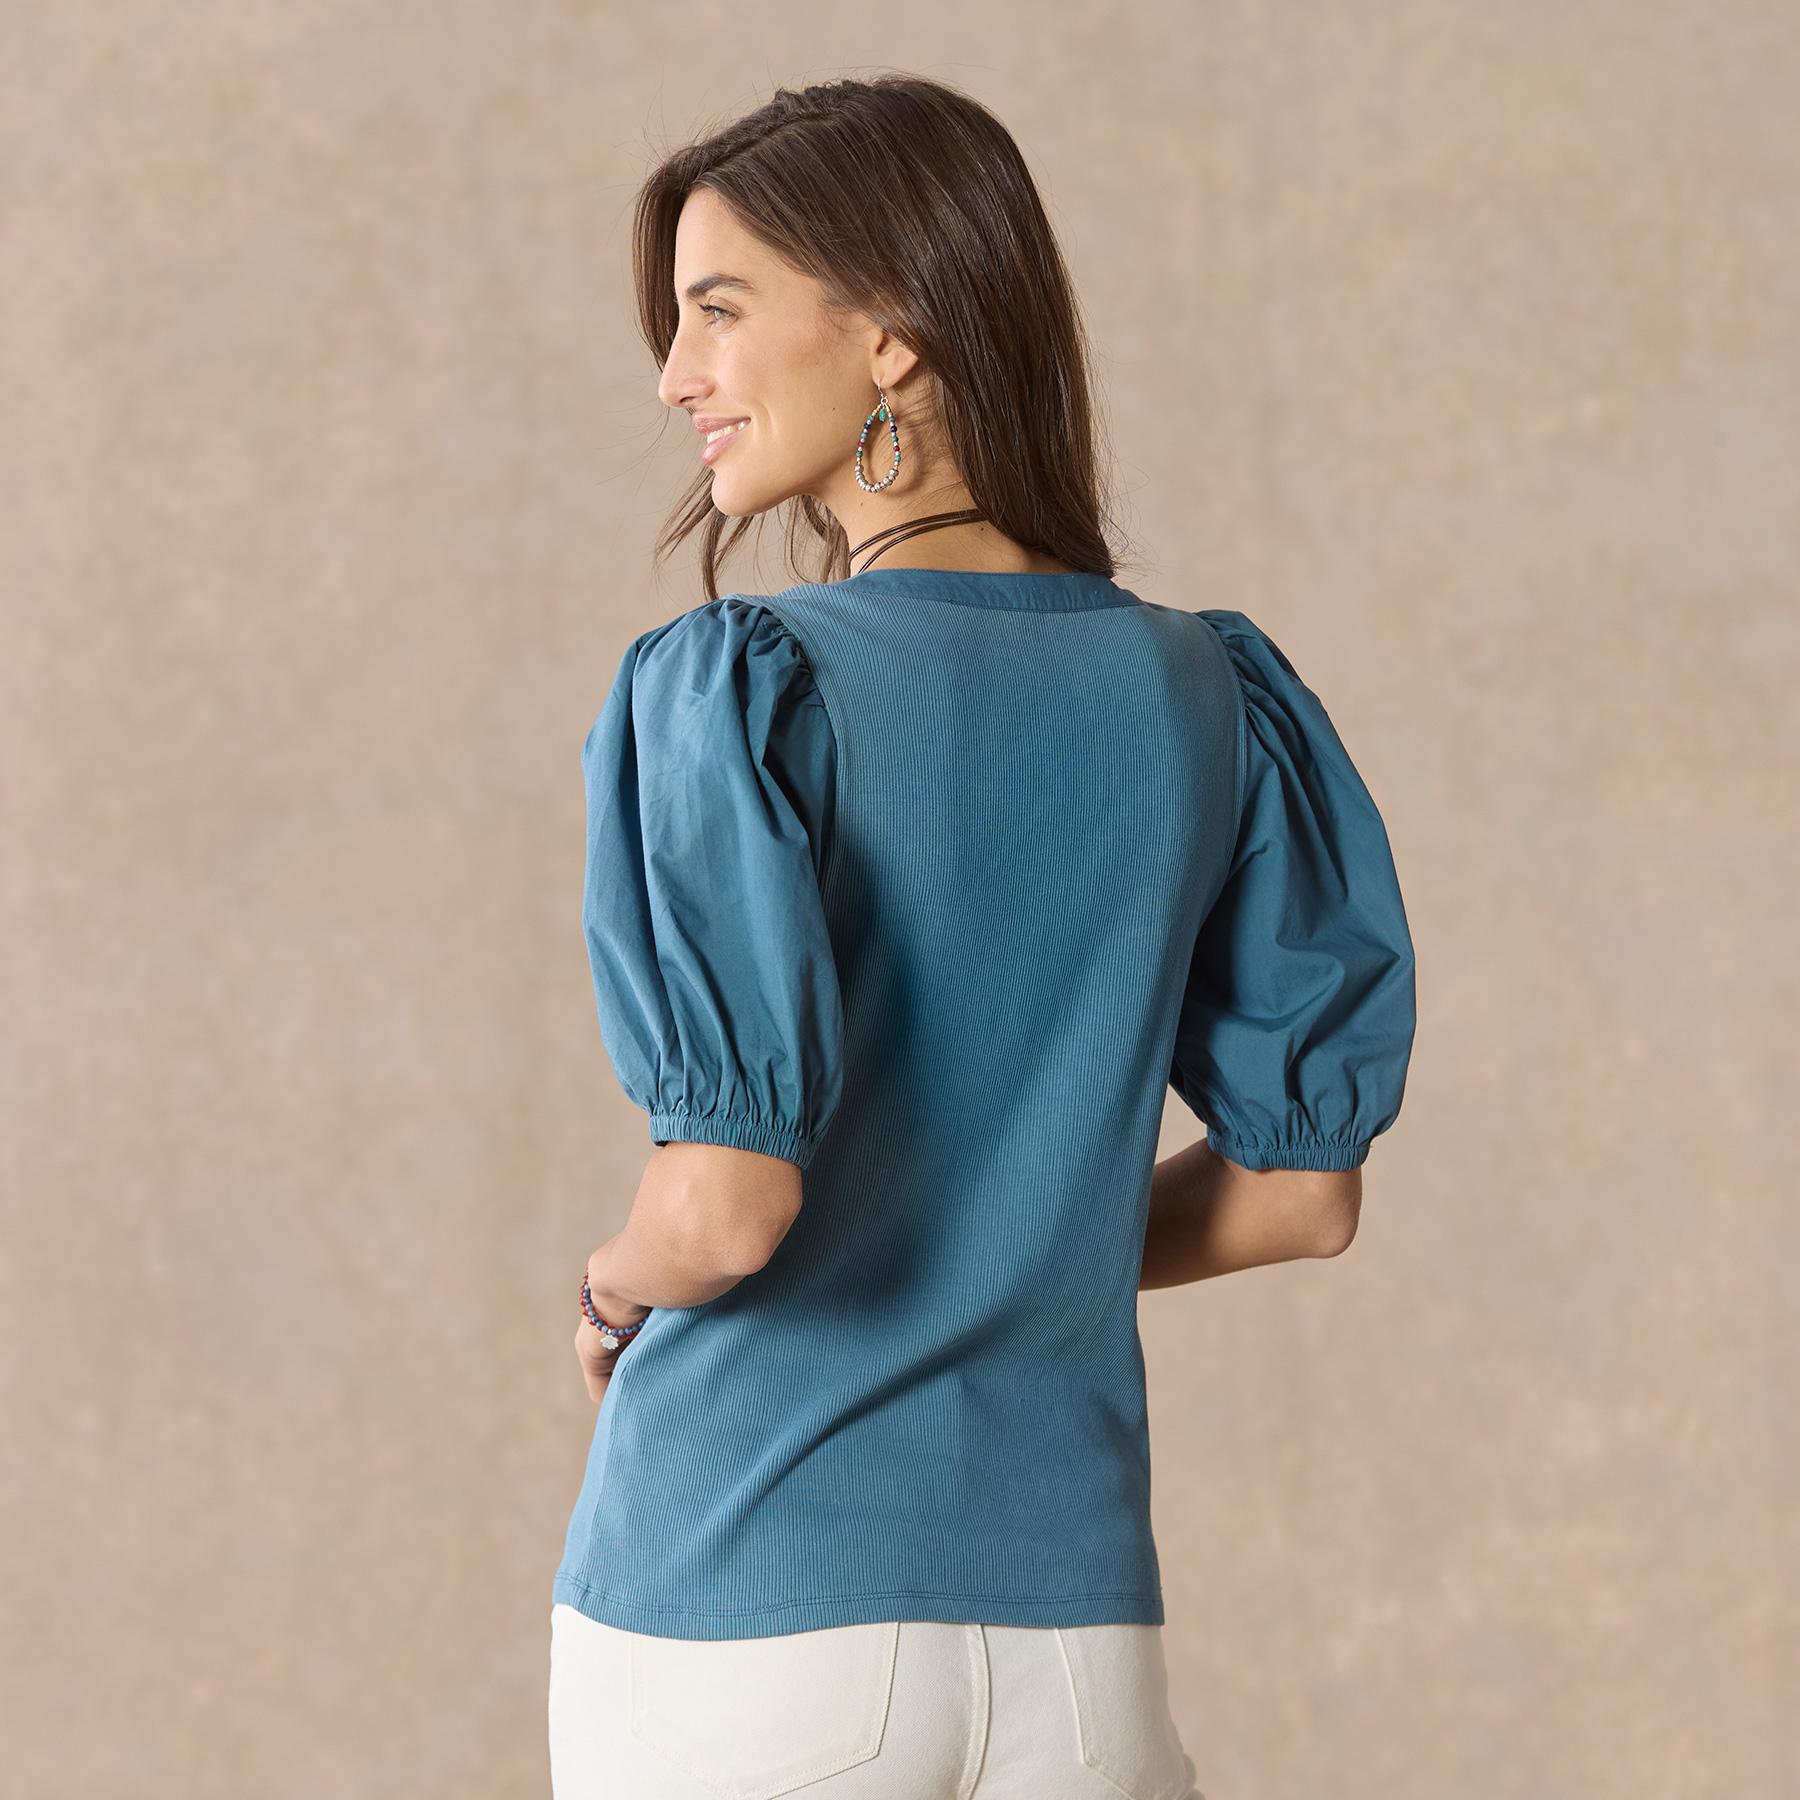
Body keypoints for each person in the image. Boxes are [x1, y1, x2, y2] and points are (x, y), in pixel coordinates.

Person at [547, 73, 1417, 1800]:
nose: (674, 376)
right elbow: (1298, 1198)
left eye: (719, 311)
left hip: (747, 1604)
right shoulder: (1209, 691)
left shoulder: (740, 687)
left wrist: (612, 1281)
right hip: (1079, 1655)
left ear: (893, 332)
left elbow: (723, 1209)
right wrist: (1023, 1240)